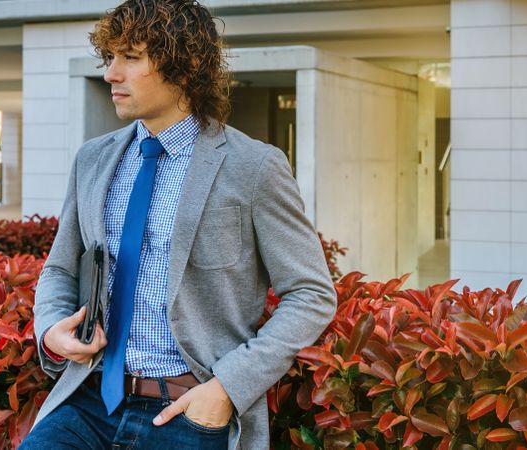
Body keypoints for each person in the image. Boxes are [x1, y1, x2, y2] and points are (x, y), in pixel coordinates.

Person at [19, 1, 337, 448]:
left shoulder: (254, 167)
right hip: (88, 401)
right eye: (110, 58)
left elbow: (311, 293)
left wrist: (227, 388)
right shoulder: (92, 160)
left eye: (130, 58)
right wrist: (51, 331)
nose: (111, 74)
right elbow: (60, 269)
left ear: (184, 68)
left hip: (188, 409)